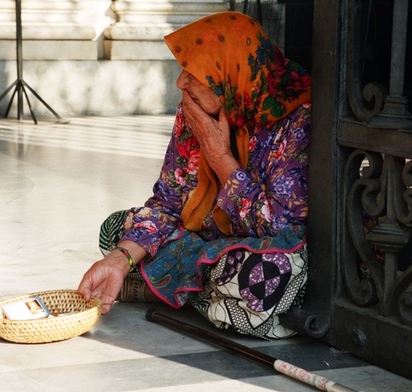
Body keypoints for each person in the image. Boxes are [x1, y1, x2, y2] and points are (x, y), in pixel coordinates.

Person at [78, 11, 312, 339]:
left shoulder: (297, 120)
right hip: (210, 243)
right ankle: (202, 293)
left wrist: (220, 158)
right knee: (114, 231)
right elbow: (168, 202)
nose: (181, 82)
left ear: (230, 74)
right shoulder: (195, 109)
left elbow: (280, 225)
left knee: (269, 272)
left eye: (195, 71)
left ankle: (166, 285)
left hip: (263, 248)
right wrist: (120, 258)